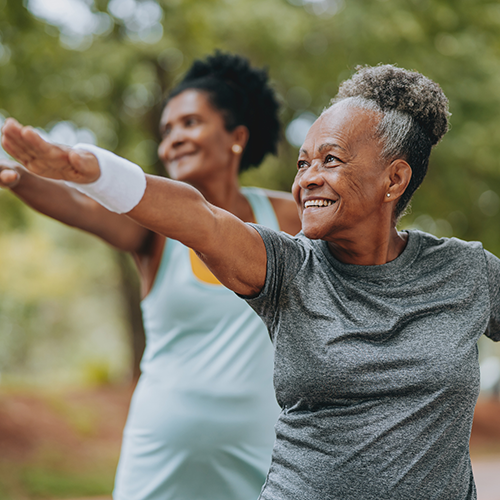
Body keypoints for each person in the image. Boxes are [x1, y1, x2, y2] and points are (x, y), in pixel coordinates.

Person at [2, 63, 497, 500]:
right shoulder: (288, 267)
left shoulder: (465, 273)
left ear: (394, 179)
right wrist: (91, 173)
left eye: (331, 159)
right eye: (303, 163)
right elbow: (200, 218)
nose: (307, 178)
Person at [0, 52, 301, 500]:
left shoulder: (286, 218)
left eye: (190, 123)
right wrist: (20, 177)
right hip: (161, 454)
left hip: (265, 454)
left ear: (236, 136)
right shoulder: (157, 231)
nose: (172, 140)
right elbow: (83, 206)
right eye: (166, 130)